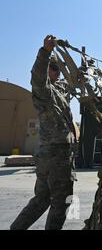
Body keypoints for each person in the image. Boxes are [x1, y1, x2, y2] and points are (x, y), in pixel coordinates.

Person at [10, 35, 77, 230]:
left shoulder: (58, 90)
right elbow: (37, 76)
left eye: (58, 69)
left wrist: (82, 68)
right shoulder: (43, 91)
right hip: (56, 154)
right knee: (62, 202)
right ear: (47, 69)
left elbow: (71, 83)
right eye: (53, 68)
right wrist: (45, 53)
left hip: (50, 154)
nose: (57, 72)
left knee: (42, 199)